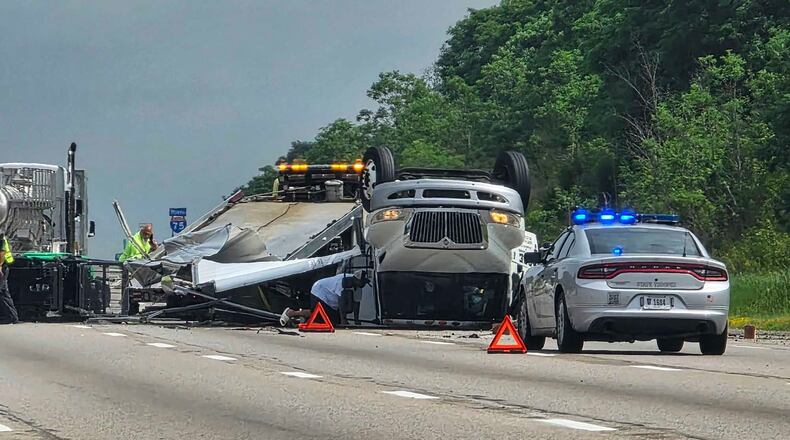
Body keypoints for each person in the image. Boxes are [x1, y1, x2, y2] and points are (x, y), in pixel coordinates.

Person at [280, 270, 367, 326]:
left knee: (328, 318)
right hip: (320, 291)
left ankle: (297, 316)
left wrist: (357, 321)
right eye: (361, 282)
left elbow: (356, 303)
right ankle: (292, 313)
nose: (363, 284)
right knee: (319, 314)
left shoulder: (358, 288)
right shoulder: (343, 282)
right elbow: (342, 303)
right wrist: (343, 320)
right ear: (356, 279)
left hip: (330, 298)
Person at [0, 231, 19, 324]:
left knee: (2, 293)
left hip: (2, 267)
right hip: (3, 266)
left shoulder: (0, 236)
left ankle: (11, 317)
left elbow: (2, 252)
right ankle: (11, 316)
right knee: (3, 293)